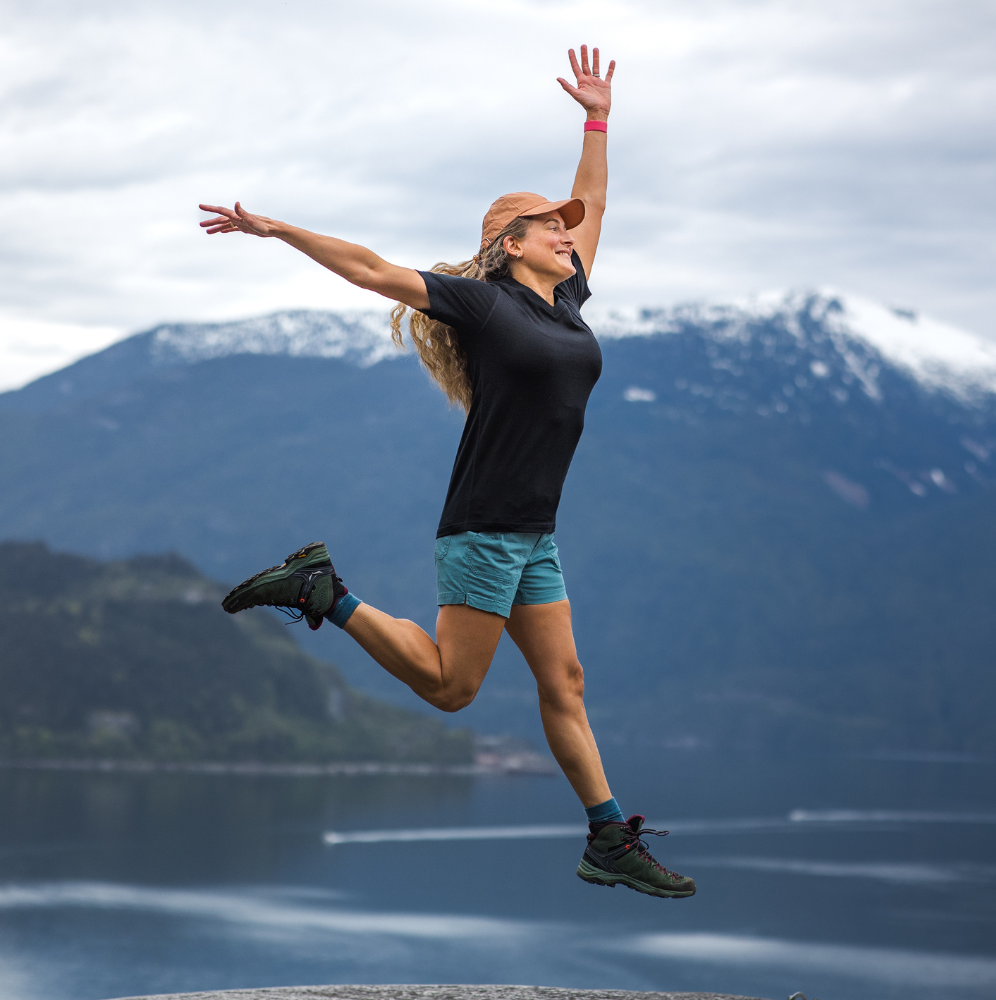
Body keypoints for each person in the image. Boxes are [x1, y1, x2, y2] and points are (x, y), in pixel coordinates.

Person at [198, 46, 695, 900]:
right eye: (553, 227)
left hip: (535, 532)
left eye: (569, 229)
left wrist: (598, 118)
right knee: (450, 687)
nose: (570, 234)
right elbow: (370, 268)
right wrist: (278, 229)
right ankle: (325, 592)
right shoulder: (484, 303)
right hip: (486, 525)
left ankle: (608, 837)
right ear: (512, 245)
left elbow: (599, 199)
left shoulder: (568, 299)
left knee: (564, 683)